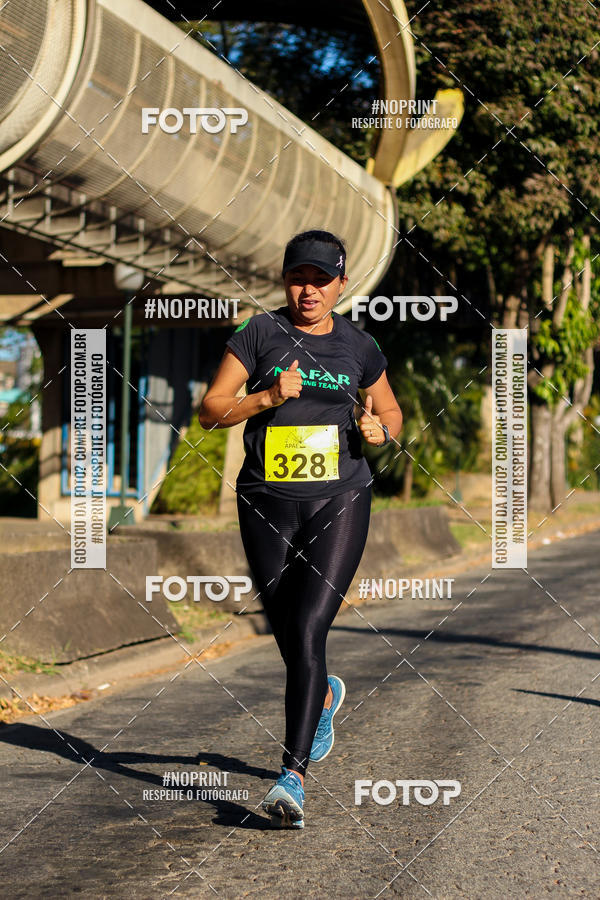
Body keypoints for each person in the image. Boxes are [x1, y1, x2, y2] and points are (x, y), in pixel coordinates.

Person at [199, 230, 402, 828]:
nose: (307, 289)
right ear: (285, 280)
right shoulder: (259, 335)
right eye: (297, 278)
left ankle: (291, 778)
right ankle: (325, 699)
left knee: (310, 624)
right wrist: (263, 398)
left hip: (340, 497)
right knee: (287, 627)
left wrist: (379, 431)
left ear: (341, 284)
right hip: (265, 500)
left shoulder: (359, 346)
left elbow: (388, 409)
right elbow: (211, 410)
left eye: (320, 279)